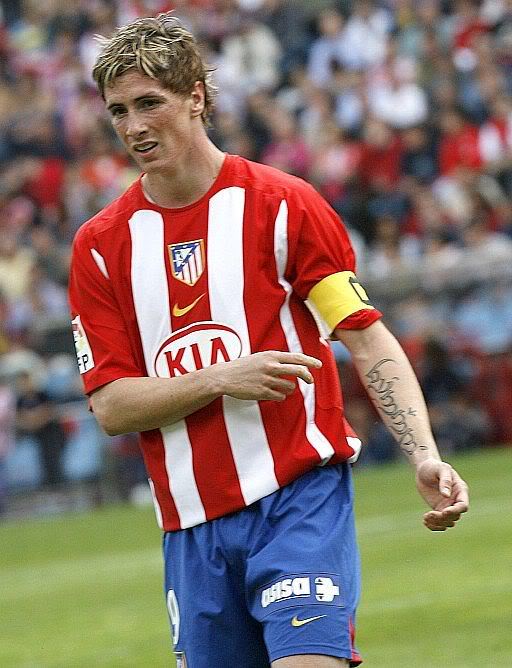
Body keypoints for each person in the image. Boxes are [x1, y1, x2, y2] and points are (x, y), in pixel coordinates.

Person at [68, 13, 469, 668]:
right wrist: (221, 378)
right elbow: (111, 406)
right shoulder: (101, 247)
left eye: (149, 103)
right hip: (192, 530)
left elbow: (367, 340)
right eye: (118, 111)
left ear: (196, 96)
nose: (134, 126)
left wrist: (423, 453)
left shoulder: (285, 205)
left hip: (299, 502)